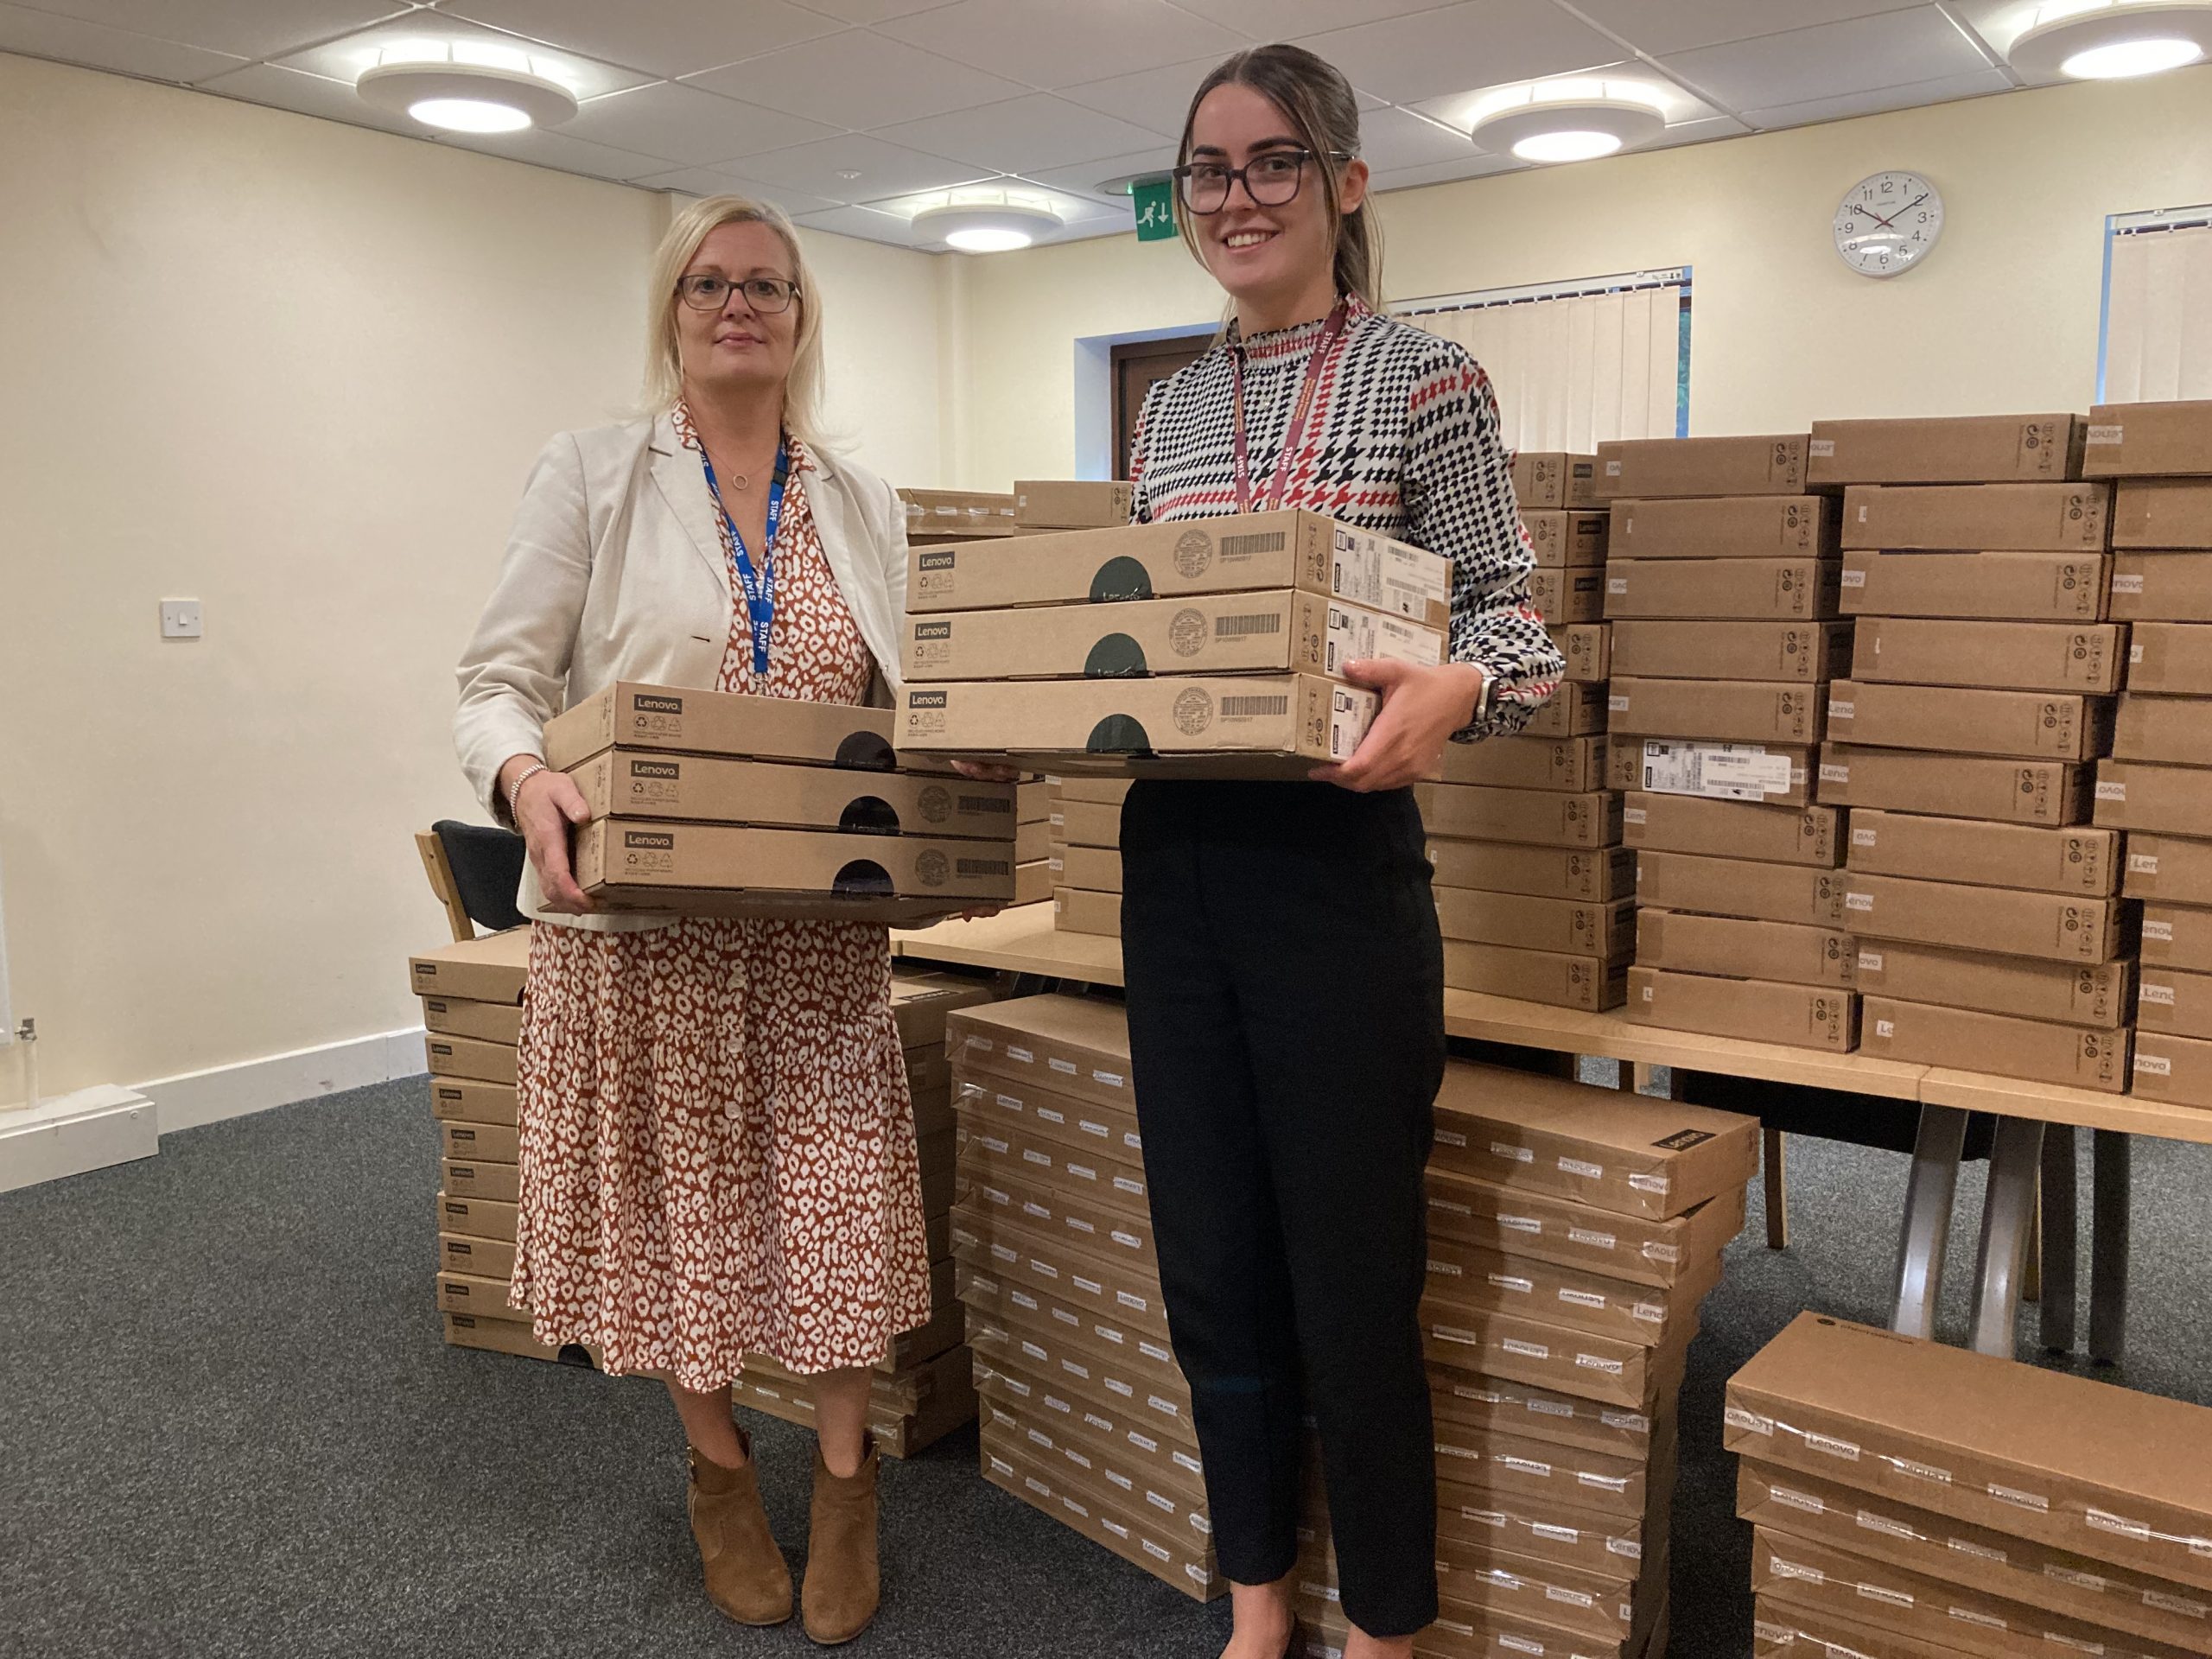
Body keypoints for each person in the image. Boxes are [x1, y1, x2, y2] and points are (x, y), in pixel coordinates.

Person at [1118, 46, 1566, 1659]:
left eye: (1272, 163)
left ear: (1346, 185)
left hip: (1337, 868)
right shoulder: (1167, 405)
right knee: (1213, 1258)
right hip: (1173, 865)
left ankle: (1382, 1624)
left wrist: (1464, 686)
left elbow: (1520, 627)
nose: (1236, 197)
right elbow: (1144, 643)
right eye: (1208, 170)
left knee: (1352, 1276)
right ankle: (1256, 1602)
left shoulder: (1425, 376)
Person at [452, 194, 919, 1646]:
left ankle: (848, 1485)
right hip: (646, 945)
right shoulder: (593, 474)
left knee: (837, 1212)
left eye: (768, 286)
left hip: (817, 942)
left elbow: (909, 704)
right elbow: (493, 686)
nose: (740, 306)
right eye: (710, 284)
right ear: (673, 311)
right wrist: (525, 778)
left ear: (801, 319)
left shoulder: (858, 499)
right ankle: (721, 1475)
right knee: (685, 1221)